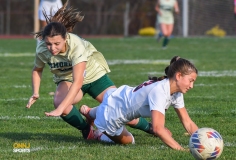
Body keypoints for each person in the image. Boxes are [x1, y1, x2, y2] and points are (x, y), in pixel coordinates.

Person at [26, 0, 153, 139]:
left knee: (119, 108)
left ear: (65, 38)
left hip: (95, 75)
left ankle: (150, 128)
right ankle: (87, 129)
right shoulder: (42, 49)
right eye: (48, 44)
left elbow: (78, 81)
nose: (52, 48)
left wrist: (61, 109)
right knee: (59, 100)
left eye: (57, 43)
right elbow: (37, 70)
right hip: (67, 79)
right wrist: (36, 92)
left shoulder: (76, 44)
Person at [80, 56, 199, 150]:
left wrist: (202, 139)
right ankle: (98, 134)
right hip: (112, 116)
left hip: (117, 96)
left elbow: (187, 122)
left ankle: (91, 112)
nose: (192, 86)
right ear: (178, 76)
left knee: (129, 115)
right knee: (129, 141)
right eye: (190, 81)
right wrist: (180, 149)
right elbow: (158, 129)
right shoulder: (160, 91)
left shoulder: (175, 92)